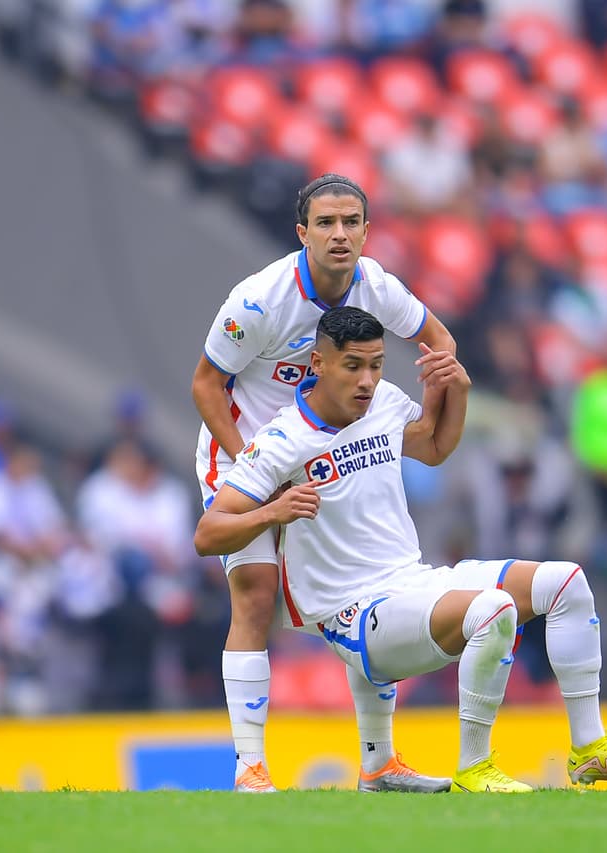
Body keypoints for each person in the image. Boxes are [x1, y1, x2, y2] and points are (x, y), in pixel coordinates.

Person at [194, 307, 607, 792]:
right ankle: (474, 766)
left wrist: (456, 392)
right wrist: (273, 512)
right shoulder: (281, 440)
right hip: (353, 614)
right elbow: (208, 533)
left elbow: (435, 448)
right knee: (493, 610)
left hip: (412, 582)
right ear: (318, 363)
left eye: (376, 365)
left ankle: (588, 749)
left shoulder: (385, 403)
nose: (368, 380)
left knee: (566, 581)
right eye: (353, 365)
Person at [190, 174, 456, 793]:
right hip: (249, 451)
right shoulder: (259, 300)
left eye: (352, 223)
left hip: (328, 451)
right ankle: (250, 767)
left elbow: (439, 341)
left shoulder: (378, 286)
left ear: (367, 229)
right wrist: (255, 470)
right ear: (302, 232)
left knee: (371, 586)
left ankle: (380, 764)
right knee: (254, 597)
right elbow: (206, 384)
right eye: (327, 224)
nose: (341, 235)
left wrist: (429, 392)